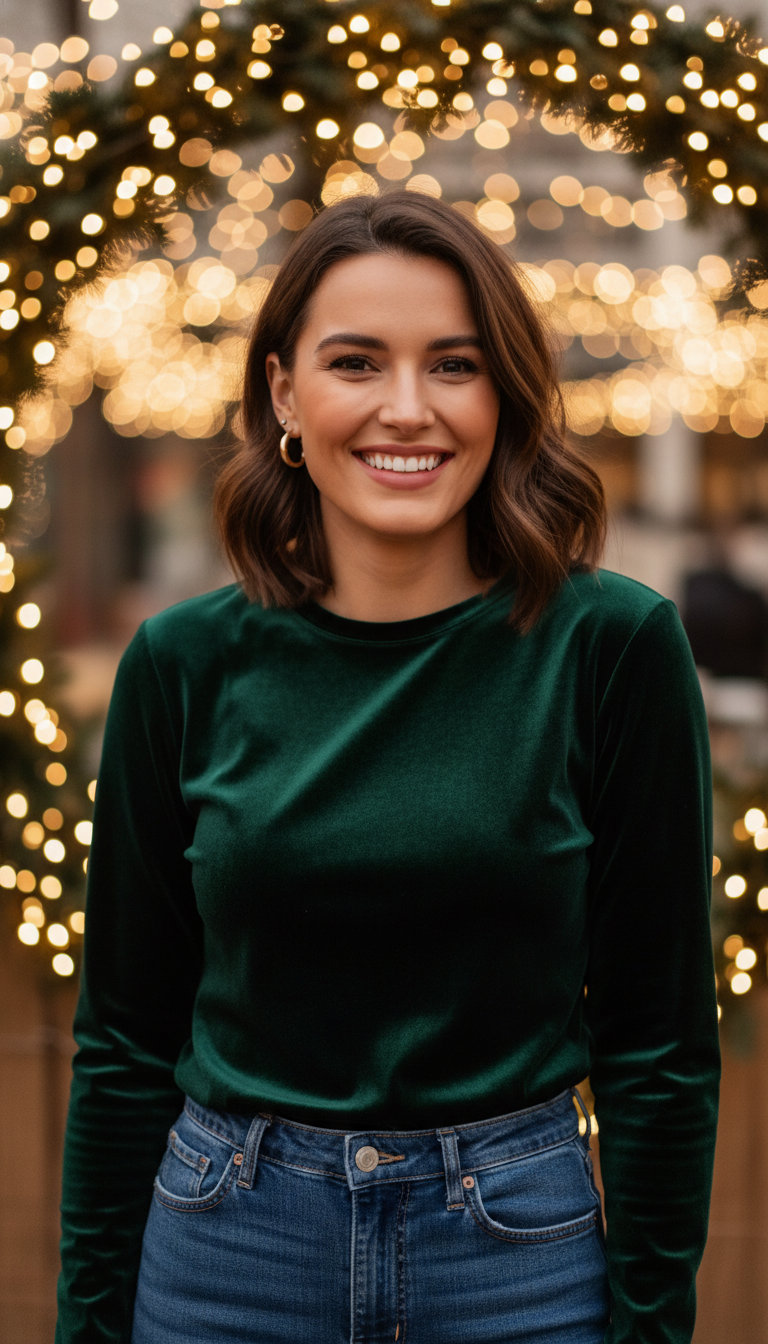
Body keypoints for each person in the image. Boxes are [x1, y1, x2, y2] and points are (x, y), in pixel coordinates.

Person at [56, 190, 720, 1344]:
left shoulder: (612, 648)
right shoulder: (182, 663)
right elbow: (124, 1039)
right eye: (355, 362)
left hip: (515, 1258)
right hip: (228, 1251)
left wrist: (654, 1326)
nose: (406, 409)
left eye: (454, 365)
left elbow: (657, 1043)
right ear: (284, 394)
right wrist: (88, 1323)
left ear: (504, 396)